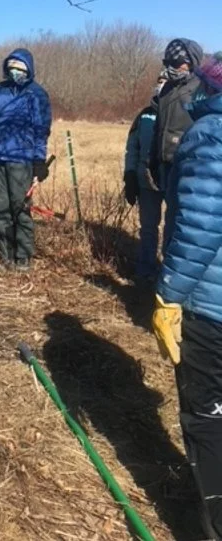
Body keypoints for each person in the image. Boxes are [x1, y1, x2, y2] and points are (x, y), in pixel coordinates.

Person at [153, 52, 222, 541]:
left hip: (211, 307)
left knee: (207, 416)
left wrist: (169, 297)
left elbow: (200, 226)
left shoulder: (212, 134)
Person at [0, 48, 52, 272]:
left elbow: (41, 129)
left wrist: (39, 160)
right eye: (12, 68)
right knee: (1, 209)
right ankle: (6, 255)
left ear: (29, 70)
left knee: (20, 209)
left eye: (20, 69)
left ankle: (23, 256)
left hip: (22, 159)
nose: (15, 73)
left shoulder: (36, 94)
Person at [123, 72, 167, 283]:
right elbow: (132, 148)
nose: (161, 86)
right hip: (145, 179)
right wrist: (130, 175)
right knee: (148, 227)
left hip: (172, 178)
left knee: (174, 228)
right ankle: (145, 271)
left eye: (165, 83)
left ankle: (169, 274)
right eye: (158, 82)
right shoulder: (144, 116)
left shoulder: (183, 112)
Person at [150, 37, 203, 193]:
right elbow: (157, 126)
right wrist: (152, 160)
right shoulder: (166, 89)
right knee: (171, 215)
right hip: (165, 165)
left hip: (190, 166)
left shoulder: (202, 88)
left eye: (177, 63)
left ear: (191, 62)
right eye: (168, 63)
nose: (172, 68)